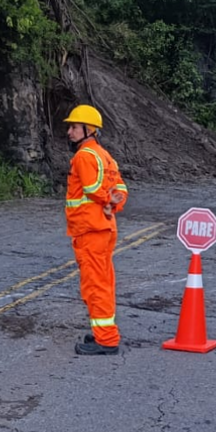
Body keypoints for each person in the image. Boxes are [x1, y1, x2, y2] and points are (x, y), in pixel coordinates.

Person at [63, 105, 127, 356]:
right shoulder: (106, 157)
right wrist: (113, 204)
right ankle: (103, 332)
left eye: (74, 127)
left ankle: (107, 340)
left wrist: (107, 202)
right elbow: (121, 189)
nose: (69, 132)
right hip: (104, 228)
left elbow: (91, 189)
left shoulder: (84, 156)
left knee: (95, 286)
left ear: (89, 130)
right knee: (104, 282)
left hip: (90, 229)